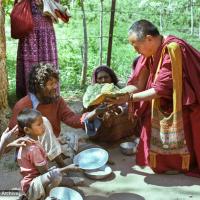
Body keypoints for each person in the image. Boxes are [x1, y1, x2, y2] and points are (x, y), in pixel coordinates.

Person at [106, 19, 200, 176]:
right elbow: (138, 84)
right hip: (161, 99)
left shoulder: (173, 49)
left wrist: (128, 98)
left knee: (173, 121)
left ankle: (180, 165)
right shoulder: (148, 53)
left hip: (182, 102)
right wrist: (115, 94)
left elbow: (159, 90)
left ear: (149, 38)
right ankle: (162, 162)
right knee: (149, 119)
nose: (136, 51)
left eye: (136, 46)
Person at [9, 63, 83, 166]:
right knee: (41, 122)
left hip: (51, 143)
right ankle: (60, 163)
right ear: (38, 86)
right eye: (51, 84)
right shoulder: (22, 106)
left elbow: (70, 118)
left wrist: (89, 117)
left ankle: (55, 153)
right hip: (31, 149)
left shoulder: (57, 100)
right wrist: (32, 143)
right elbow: (13, 136)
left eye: (56, 83)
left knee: (73, 138)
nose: (55, 87)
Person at [16, 108, 83, 200]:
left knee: (56, 172)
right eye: (39, 124)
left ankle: (47, 192)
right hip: (32, 186)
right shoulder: (33, 149)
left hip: (35, 180)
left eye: (42, 122)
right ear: (27, 130)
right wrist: (67, 168)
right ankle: (45, 196)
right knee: (56, 176)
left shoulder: (32, 141)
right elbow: (45, 173)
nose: (43, 126)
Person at [15, 0, 59, 98]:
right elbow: (18, 6)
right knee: (30, 65)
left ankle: (49, 95)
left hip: (46, 32)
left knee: (47, 65)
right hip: (28, 30)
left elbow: (56, 6)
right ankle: (30, 98)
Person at [83, 65, 137, 143]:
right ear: (96, 80)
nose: (103, 80)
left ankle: (119, 136)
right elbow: (85, 118)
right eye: (100, 78)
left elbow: (128, 109)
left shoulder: (120, 91)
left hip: (118, 129)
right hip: (100, 131)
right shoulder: (91, 94)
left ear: (111, 78)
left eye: (106, 77)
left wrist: (118, 109)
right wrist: (96, 112)